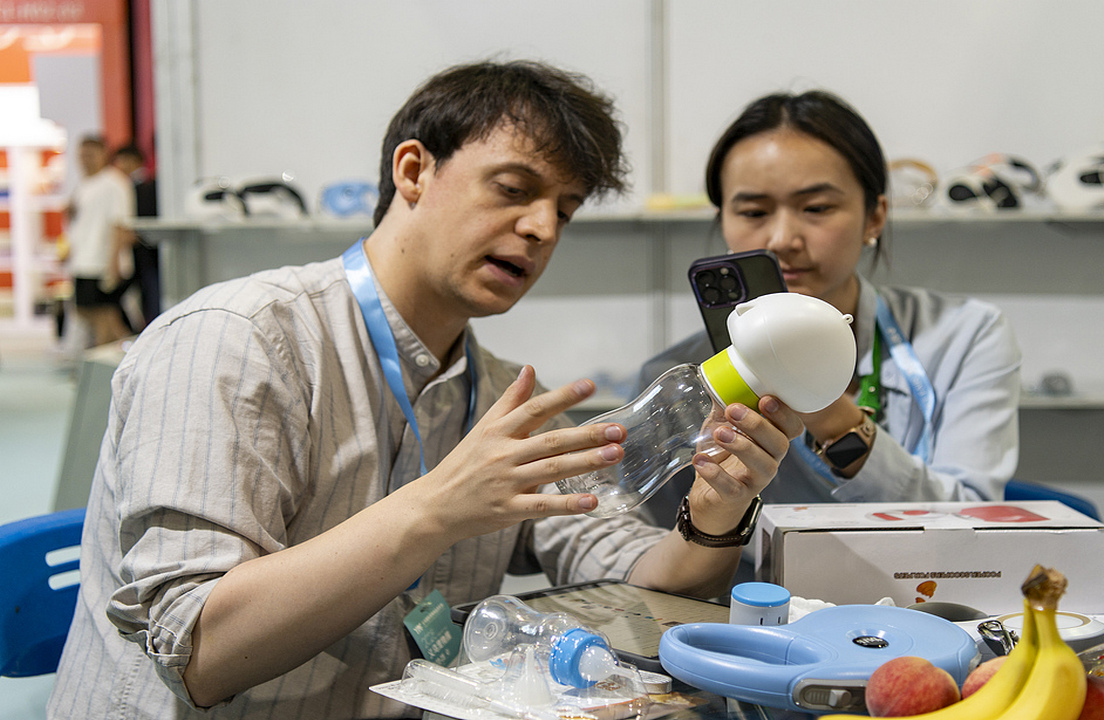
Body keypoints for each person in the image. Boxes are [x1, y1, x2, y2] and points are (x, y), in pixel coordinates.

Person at [48, 61, 802, 719]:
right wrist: (437, 508)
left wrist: (715, 516)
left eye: (565, 210)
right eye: (514, 189)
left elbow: (638, 575)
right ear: (413, 171)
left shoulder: (498, 391)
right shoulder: (237, 341)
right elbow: (198, 650)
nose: (542, 227)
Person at [636, 91, 1022, 558]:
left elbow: (976, 530)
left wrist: (829, 413)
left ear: (874, 217)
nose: (782, 239)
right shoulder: (677, 379)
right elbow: (663, 562)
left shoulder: (965, 335)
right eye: (753, 213)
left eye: (816, 208)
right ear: (724, 223)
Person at [64, 134, 136, 347]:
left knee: (104, 314)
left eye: (90, 155)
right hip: (84, 261)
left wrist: (114, 262)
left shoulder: (114, 184)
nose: (85, 160)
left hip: (102, 262)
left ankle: (120, 356)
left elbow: (121, 226)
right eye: (82, 155)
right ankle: (124, 353)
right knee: (86, 311)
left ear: (104, 154)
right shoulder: (83, 185)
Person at [112, 143, 161, 327]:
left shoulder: (146, 187)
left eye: (123, 160)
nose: (120, 165)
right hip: (138, 256)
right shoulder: (123, 187)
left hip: (147, 254)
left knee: (152, 299)